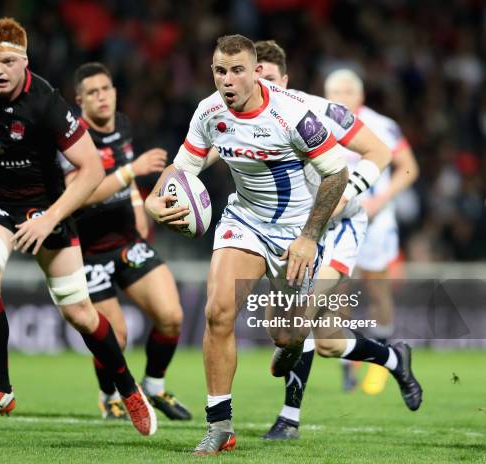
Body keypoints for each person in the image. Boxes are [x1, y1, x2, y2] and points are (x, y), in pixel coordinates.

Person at [0, 17, 156, 436]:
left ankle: (129, 390)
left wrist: (50, 218)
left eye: (8, 62)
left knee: (81, 315)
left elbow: (91, 170)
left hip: (45, 209)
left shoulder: (49, 104)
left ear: (25, 62)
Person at [145, 34, 353, 455]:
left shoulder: (292, 114)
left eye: (237, 70)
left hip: (296, 232)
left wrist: (310, 237)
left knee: (286, 336)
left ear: (256, 71)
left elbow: (337, 173)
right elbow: (183, 169)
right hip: (244, 220)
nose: (227, 80)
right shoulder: (208, 112)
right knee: (218, 312)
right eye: (220, 71)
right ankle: (219, 425)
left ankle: (292, 346)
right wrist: (154, 200)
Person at [254, 40, 422, 441]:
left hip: (341, 226)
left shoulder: (314, 110)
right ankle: (394, 358)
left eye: (270, 78)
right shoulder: (247, 119)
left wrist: (355, 192)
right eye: (255, 77)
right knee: (327, 341)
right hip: (297, 228)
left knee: (301, 318)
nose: (262, 86)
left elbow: (382, 154)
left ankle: (288, 418)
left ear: (286, 81)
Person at [57, 62, 191, 421]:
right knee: (114, 338)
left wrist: (137, 207)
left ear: (115, 91)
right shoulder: (72, 137)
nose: (102, 97)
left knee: (172, 317)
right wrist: (131, 172)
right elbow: (78, 194)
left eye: (106, 89)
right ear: (79, 99)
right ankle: (108, 396)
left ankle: (155, 386)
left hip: (126, 243)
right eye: (93, 92)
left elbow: (126, 178)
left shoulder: (124, 125)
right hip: (86, 254)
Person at [324, 69, 419, 395]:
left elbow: (409, 168)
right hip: (336, 220)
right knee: (339, 292)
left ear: (361, 96)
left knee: (378, 291)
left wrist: (382, 199)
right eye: (335, 91)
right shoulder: (317, 123)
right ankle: (347, 366)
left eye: (348, 90)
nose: (342, 96)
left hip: (375, 220)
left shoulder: (381, 125)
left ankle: (383, 357)